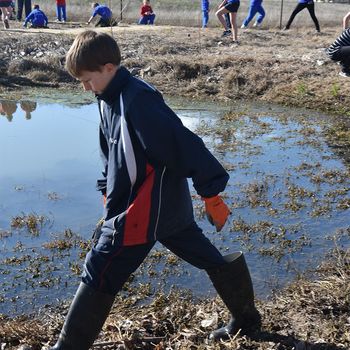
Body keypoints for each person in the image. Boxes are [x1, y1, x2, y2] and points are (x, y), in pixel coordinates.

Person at [49, 30, 261, 349]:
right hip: (165, 210)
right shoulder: (108, 98)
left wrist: (211, 193)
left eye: (88, 79)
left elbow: (184, 145)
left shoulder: (139, 100)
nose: (85, 87)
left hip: (144, 211)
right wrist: (108, 195)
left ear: (109, 68)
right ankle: (247, 321)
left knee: (99, 268)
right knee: (207, 256)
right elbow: (112, 154)